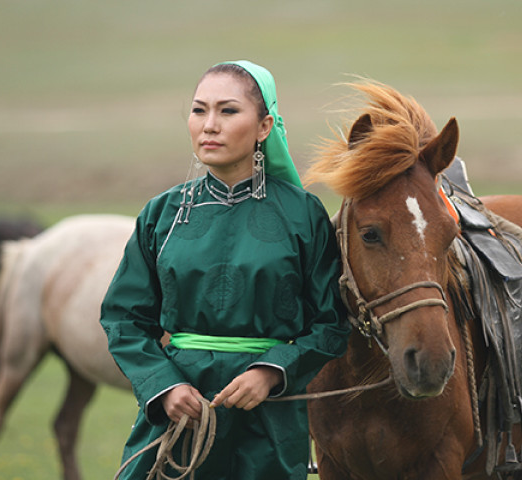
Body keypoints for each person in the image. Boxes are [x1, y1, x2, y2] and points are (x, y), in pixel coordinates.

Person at [100, 60, 350, 479]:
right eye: (199, 110)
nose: (209, 125)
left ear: (265, 126)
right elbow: (123, 318)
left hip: (268, 420)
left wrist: (272, 372)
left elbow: (330, 324)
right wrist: (165, 386)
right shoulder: (162, 213)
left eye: (228, 111)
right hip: (179, 415)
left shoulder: (303, 215)